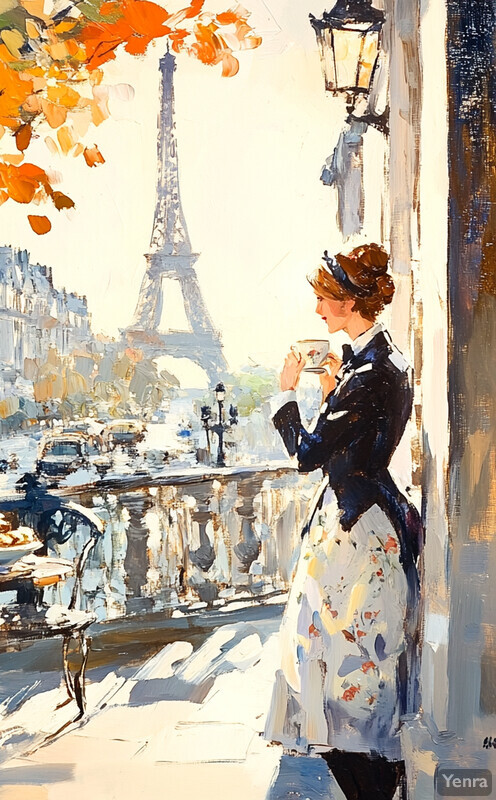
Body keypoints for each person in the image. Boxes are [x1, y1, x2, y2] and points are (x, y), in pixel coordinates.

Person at [263, 243, 423, 800]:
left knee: (331, 672)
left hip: (356, 533)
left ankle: (373, 786)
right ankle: (376, 781)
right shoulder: (376, 363)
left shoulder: (371, 372)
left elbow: (308, 454)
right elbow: (354, 445)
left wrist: (287, 391)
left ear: (351, 302)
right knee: (342, 672)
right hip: (363, 520)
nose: (317, 311)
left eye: (325, 300)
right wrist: (331, 390)